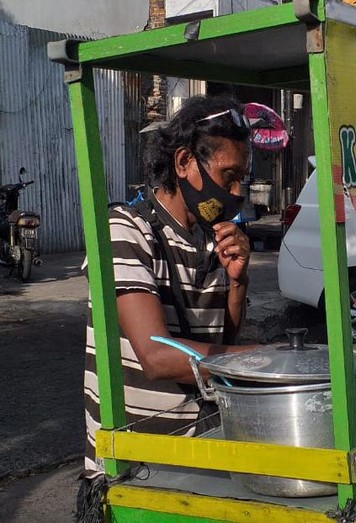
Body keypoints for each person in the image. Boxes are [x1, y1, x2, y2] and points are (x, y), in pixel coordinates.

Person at [77, 95, 258, 521]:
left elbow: (216, 345)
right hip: (133, 472)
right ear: (183, 163)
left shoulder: (216, 238)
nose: (235, 193)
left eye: (241, 180)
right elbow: (157, 357)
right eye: (227, 176)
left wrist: (237, 281)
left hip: (199, 452)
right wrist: (269, 360)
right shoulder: (125, 230)